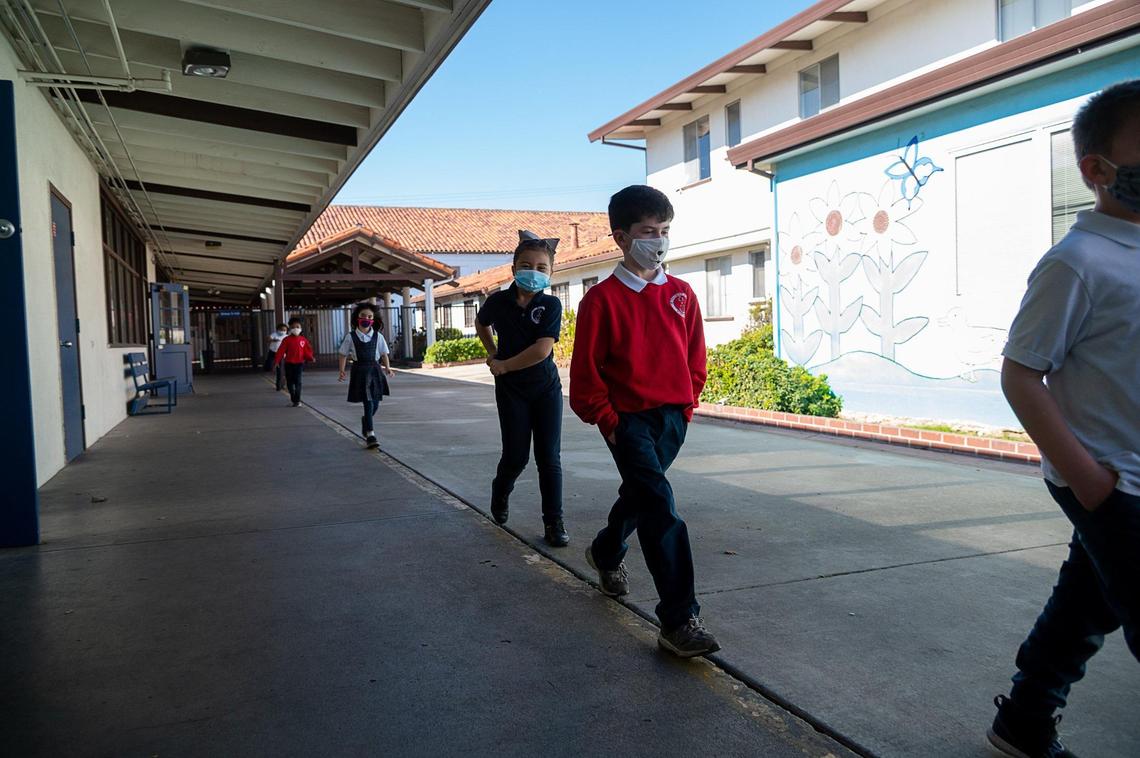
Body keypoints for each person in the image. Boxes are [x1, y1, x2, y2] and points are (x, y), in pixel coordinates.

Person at [988, 80, 1140, 758]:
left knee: (1090, 602)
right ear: (1096, 170)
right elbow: (1021, 372)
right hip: (1114, 480)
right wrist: (1089, 482)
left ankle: (1022, 720)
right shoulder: (1077, 262)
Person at [569, 185, 719, 658]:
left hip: (672, 418)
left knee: (641, 496)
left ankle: (607, 549)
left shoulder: (682, 294)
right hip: (627, 421)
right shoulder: (601, 301)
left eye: (665, 231)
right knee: (660, 508)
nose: (658, 241)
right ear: (621, 237)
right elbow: (586, 375)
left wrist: (687, 404)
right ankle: (679, 620)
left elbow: (696, 356)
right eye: (648, 232)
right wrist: (609, 422)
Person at [474, 230, 568, 548]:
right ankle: (500, 493)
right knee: (515, 457)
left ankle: (554, 522)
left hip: (545, 389)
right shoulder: (498, 302)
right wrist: (493, 352)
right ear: (514, 269)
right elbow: (481, 322)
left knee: (549, 458)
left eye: (542, 267)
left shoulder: (551, 305)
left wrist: (503, 364)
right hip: (512, 390)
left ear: (551, 272)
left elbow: (542, 350)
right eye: (526, 265)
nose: (534, 271)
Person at [338, 304, 394, 449]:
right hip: (359, 370)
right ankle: (370, 434)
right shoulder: (351, 336)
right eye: (363, 316)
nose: (366, 319)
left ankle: (366, 420)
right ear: (357, 318)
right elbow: (343, 354)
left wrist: (387, 368)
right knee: (368, 403)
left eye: (369, 317)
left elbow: (383, 353)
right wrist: (342, 370)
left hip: (375, 369)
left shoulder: (378, 336)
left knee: (375, 403)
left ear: (373, 319)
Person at [274, 317, 315, 407]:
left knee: (298, 382)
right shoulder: (286, 340)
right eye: (293, 327)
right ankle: (293, 398)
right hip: (289, 364)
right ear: (290, 328)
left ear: (300, 328)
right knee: (290, 382)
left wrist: (311, 358)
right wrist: (277, 361)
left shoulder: (303, 340)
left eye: (297, 326)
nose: (295, 328)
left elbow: (307, 351)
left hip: (299, 364)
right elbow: (281, 351)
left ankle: (297, 400)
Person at [264, 322, 288, 391]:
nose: (283, 331)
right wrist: (273, 340)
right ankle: (269, 368)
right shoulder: (274, 334)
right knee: (268, 365)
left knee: (279, 370)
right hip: (272, 352)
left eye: (284, 330)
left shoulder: (286, 336)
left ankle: (278, 386)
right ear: (278, 329)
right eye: (281, 330)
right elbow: (268, 339)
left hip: (281, 354)